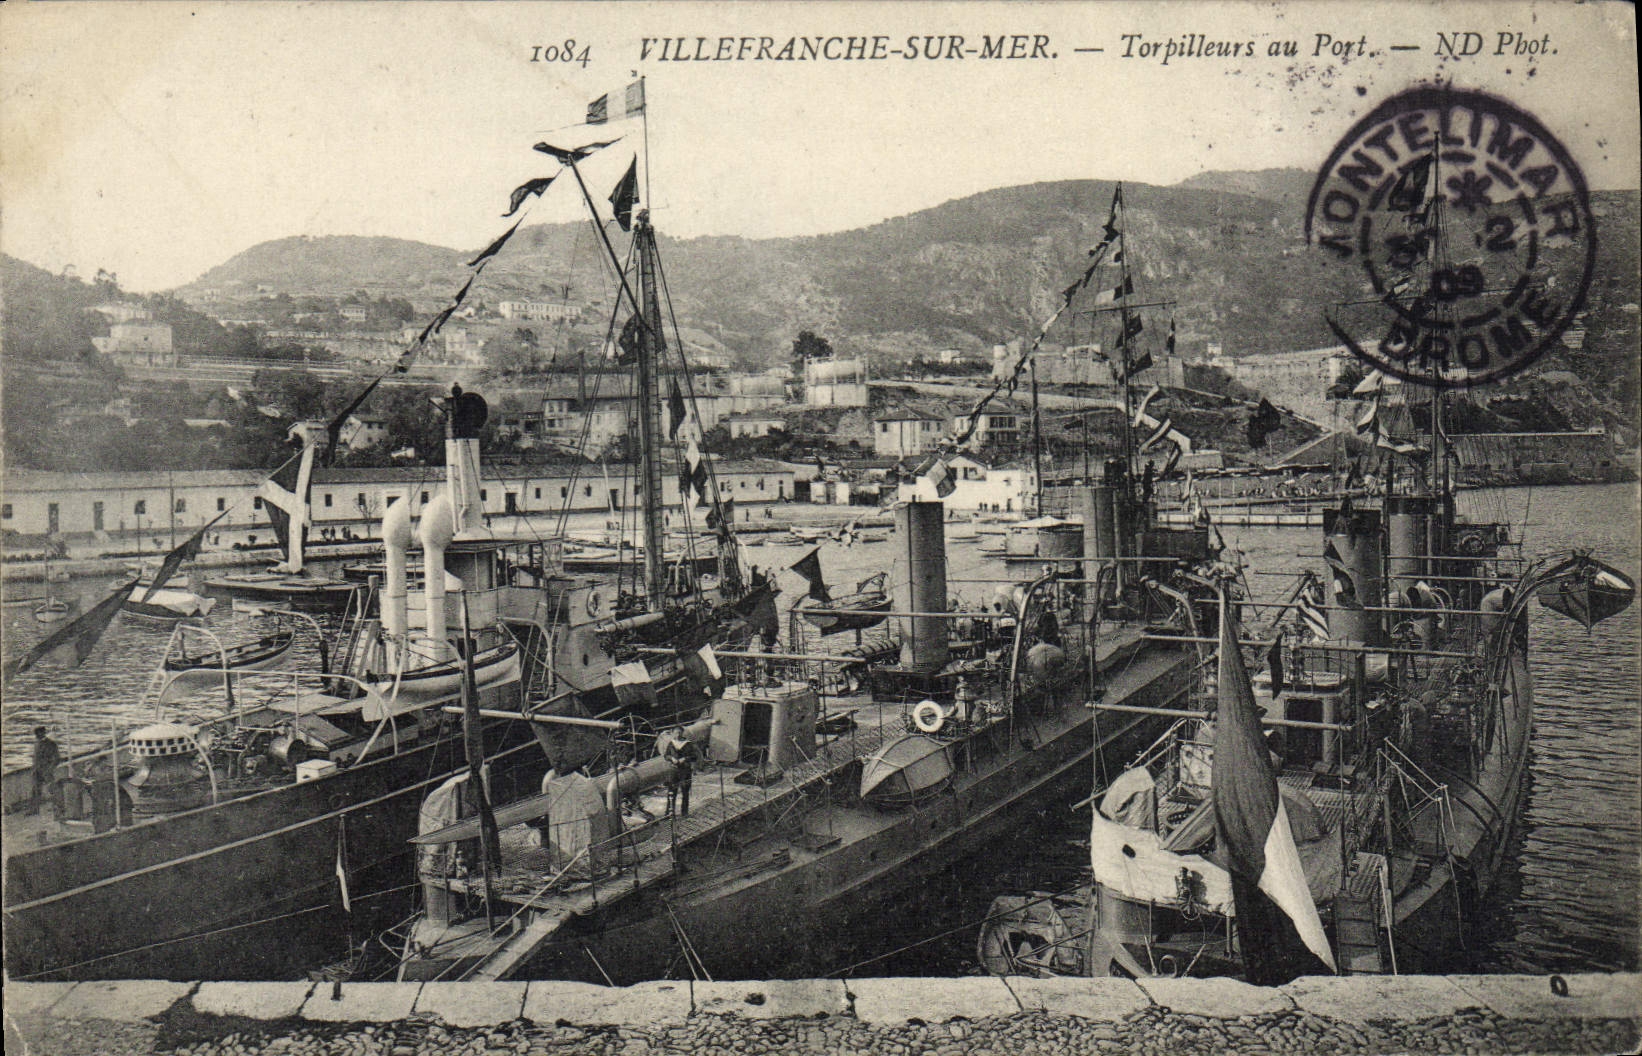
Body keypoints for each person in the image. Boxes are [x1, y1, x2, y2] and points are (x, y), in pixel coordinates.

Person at [662, 730, 698, 818]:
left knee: (685, 791)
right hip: (674, 770)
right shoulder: (671, 743)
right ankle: (670, 813)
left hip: (685, 770)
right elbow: (666, 755)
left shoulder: (688, 744)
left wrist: (685, 758)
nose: (677, 735)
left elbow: (694, 756)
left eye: (679, 733)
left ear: (682, 733)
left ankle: (684, 812)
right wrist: (671, 758)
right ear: (673, 733)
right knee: (671, 792)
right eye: (676, 733)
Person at [30, 726, 60, 816]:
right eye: (35, 733)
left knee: (52, 789)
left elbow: (57, 758)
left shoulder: (51, 744)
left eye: (37, 733)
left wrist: (50, 769)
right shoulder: (36, 743)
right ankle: (34, 809)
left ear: (42, 733)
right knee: (35, 790)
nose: (36, 735)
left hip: (46, 770)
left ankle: (58, 807)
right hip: (36, 770)